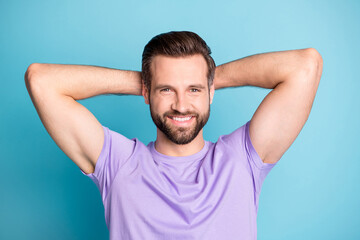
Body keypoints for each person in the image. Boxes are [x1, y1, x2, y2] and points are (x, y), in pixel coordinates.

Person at [24, 31, 323, 240]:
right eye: (166, 90)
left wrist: (208, 79)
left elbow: (306, 65)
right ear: (147, 93)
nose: (181, 104)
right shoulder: (117, 163)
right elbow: (41, 80)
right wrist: (149, 81)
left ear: (210, 92)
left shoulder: (242, 159)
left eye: (193, 90)